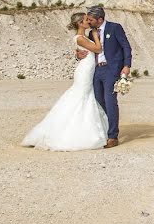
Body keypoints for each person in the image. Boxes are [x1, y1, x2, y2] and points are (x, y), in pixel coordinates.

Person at [21, 13, 109, 151]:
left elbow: (85, 52)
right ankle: (72, 134)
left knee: (84, 97)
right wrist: (96, 37)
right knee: (81, 97)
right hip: (85, 70)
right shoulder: (80, 38)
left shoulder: (83, 37)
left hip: (89, 68)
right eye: (86, 20)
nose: (89, 22)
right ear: (80, 23)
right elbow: (98, 49)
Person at [76, 5, 132, 148]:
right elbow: (87, 50)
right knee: (99, 101)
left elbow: (126, 46)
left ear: (100, 19)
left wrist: (127, 66)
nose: (88, 22)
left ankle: (113, 136)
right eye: (87, 19)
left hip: (111, 70)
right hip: (95, 71)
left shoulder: (115, 28)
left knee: (110, 100)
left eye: (91, 19)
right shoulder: (90, 34)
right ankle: (106, 129)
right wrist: (77, 55)